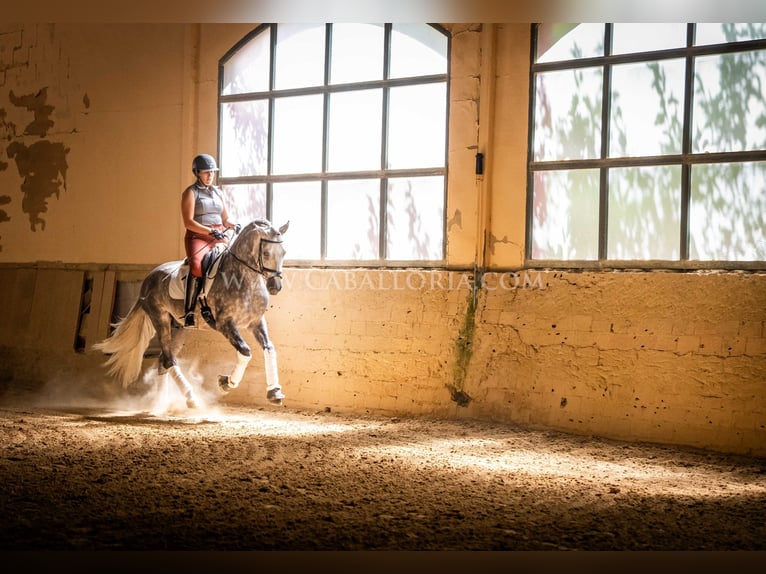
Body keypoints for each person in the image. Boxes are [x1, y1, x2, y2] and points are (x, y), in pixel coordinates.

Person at [181, 153, 239, 327]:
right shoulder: (190, 193)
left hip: (219, 235)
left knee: (233, 261)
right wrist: (209, 231)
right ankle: (189, 310)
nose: (210, 176)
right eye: (206, 172)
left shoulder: (218, 193)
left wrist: (232, 225)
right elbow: (188, 222)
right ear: (197, 173)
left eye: (212, 172)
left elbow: (225, 218)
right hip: (198, 236)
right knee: (198, 266)